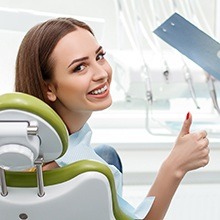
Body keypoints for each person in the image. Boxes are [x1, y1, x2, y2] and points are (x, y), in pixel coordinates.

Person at [15, 17, 210, 220]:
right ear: (49, 88)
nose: (101, 73)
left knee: (107, 154)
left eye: (99, 56)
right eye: (79, 68)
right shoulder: (76, 173)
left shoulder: (34, 144)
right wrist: (175, 166)